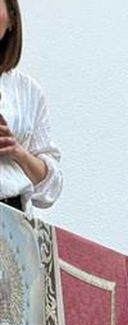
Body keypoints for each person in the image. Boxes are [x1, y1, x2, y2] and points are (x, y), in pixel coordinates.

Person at [0, 0, 62, 212]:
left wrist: (17, 151)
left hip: (13, 224)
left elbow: (51, 188)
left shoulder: (28, 91)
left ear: (11, 19)